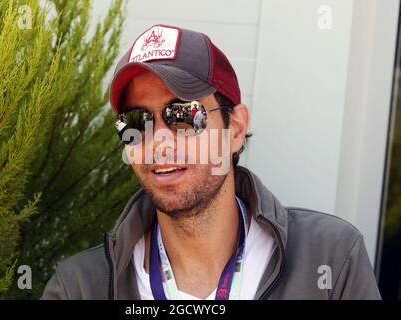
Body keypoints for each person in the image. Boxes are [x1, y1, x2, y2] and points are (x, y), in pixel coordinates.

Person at [42, 24, 381, 300]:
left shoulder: (330, 259)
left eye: (184, 115)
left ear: (235, 128)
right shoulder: (80, 287)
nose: (158, 142)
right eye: (137, 121)